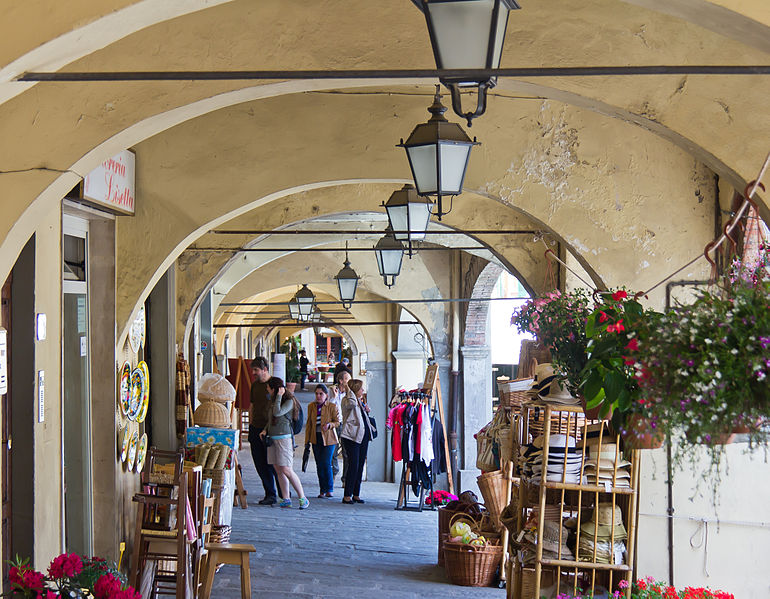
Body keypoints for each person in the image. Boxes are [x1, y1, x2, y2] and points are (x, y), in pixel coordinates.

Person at [260, 376, 309, 509]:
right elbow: (271, 419)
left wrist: (279, 396)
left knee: (286, 469)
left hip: (284, 439)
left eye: (269, 388)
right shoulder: (274, 401)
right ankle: (285, 498)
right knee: (278, 469)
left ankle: (302, 497)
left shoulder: (289, 401)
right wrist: (265, 430)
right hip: (272, 438)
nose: (267, 390)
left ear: (275, 389)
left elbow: (277, 413)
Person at [248, 356, 282, 505]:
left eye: (256, 370)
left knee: (274, 463)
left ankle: (284, 493)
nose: (254, 373)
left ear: (265, 369)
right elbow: (252, 405)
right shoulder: (255, 386)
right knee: (260, 463)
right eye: (253, 370)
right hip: (255, 428)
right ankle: (270, 494)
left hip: (270, 430)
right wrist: (250, 424)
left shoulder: (275, 384)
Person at [339, 378, 375, 505]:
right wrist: (349, 391)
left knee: (360, 465)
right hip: (351, 437)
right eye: (360, 388)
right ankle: (347, 495)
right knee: (353, 465)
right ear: (354, 390)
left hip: (363, 436)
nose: (363, 390)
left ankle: (356, 494)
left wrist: (366, 409)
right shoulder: (348, 400)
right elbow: (352, 405)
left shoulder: (360, 401)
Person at [304, 383, 341, 497]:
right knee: (319, 464)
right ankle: (322, 489)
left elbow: (337, 422)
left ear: (326, 395)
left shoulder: (331, 406)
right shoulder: (311, 406)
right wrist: (307, 441)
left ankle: (329, 488)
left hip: (329, 439)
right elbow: (309, 424)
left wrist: (330, 425)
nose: (318, 396)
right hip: (316, 438)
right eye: (317, 394)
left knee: (326, 462)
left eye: (321, 394)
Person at [330, 369, 353, 480]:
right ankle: (334, 471)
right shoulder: (332, 391)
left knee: (346, 453)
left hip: (346, 425)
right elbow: (329, 407)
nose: (349, 381)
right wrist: (334, 397)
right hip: (335, 424)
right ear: (340, 381)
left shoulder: (351, 394)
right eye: (347, 379)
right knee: (333, 451)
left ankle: (345, 478)